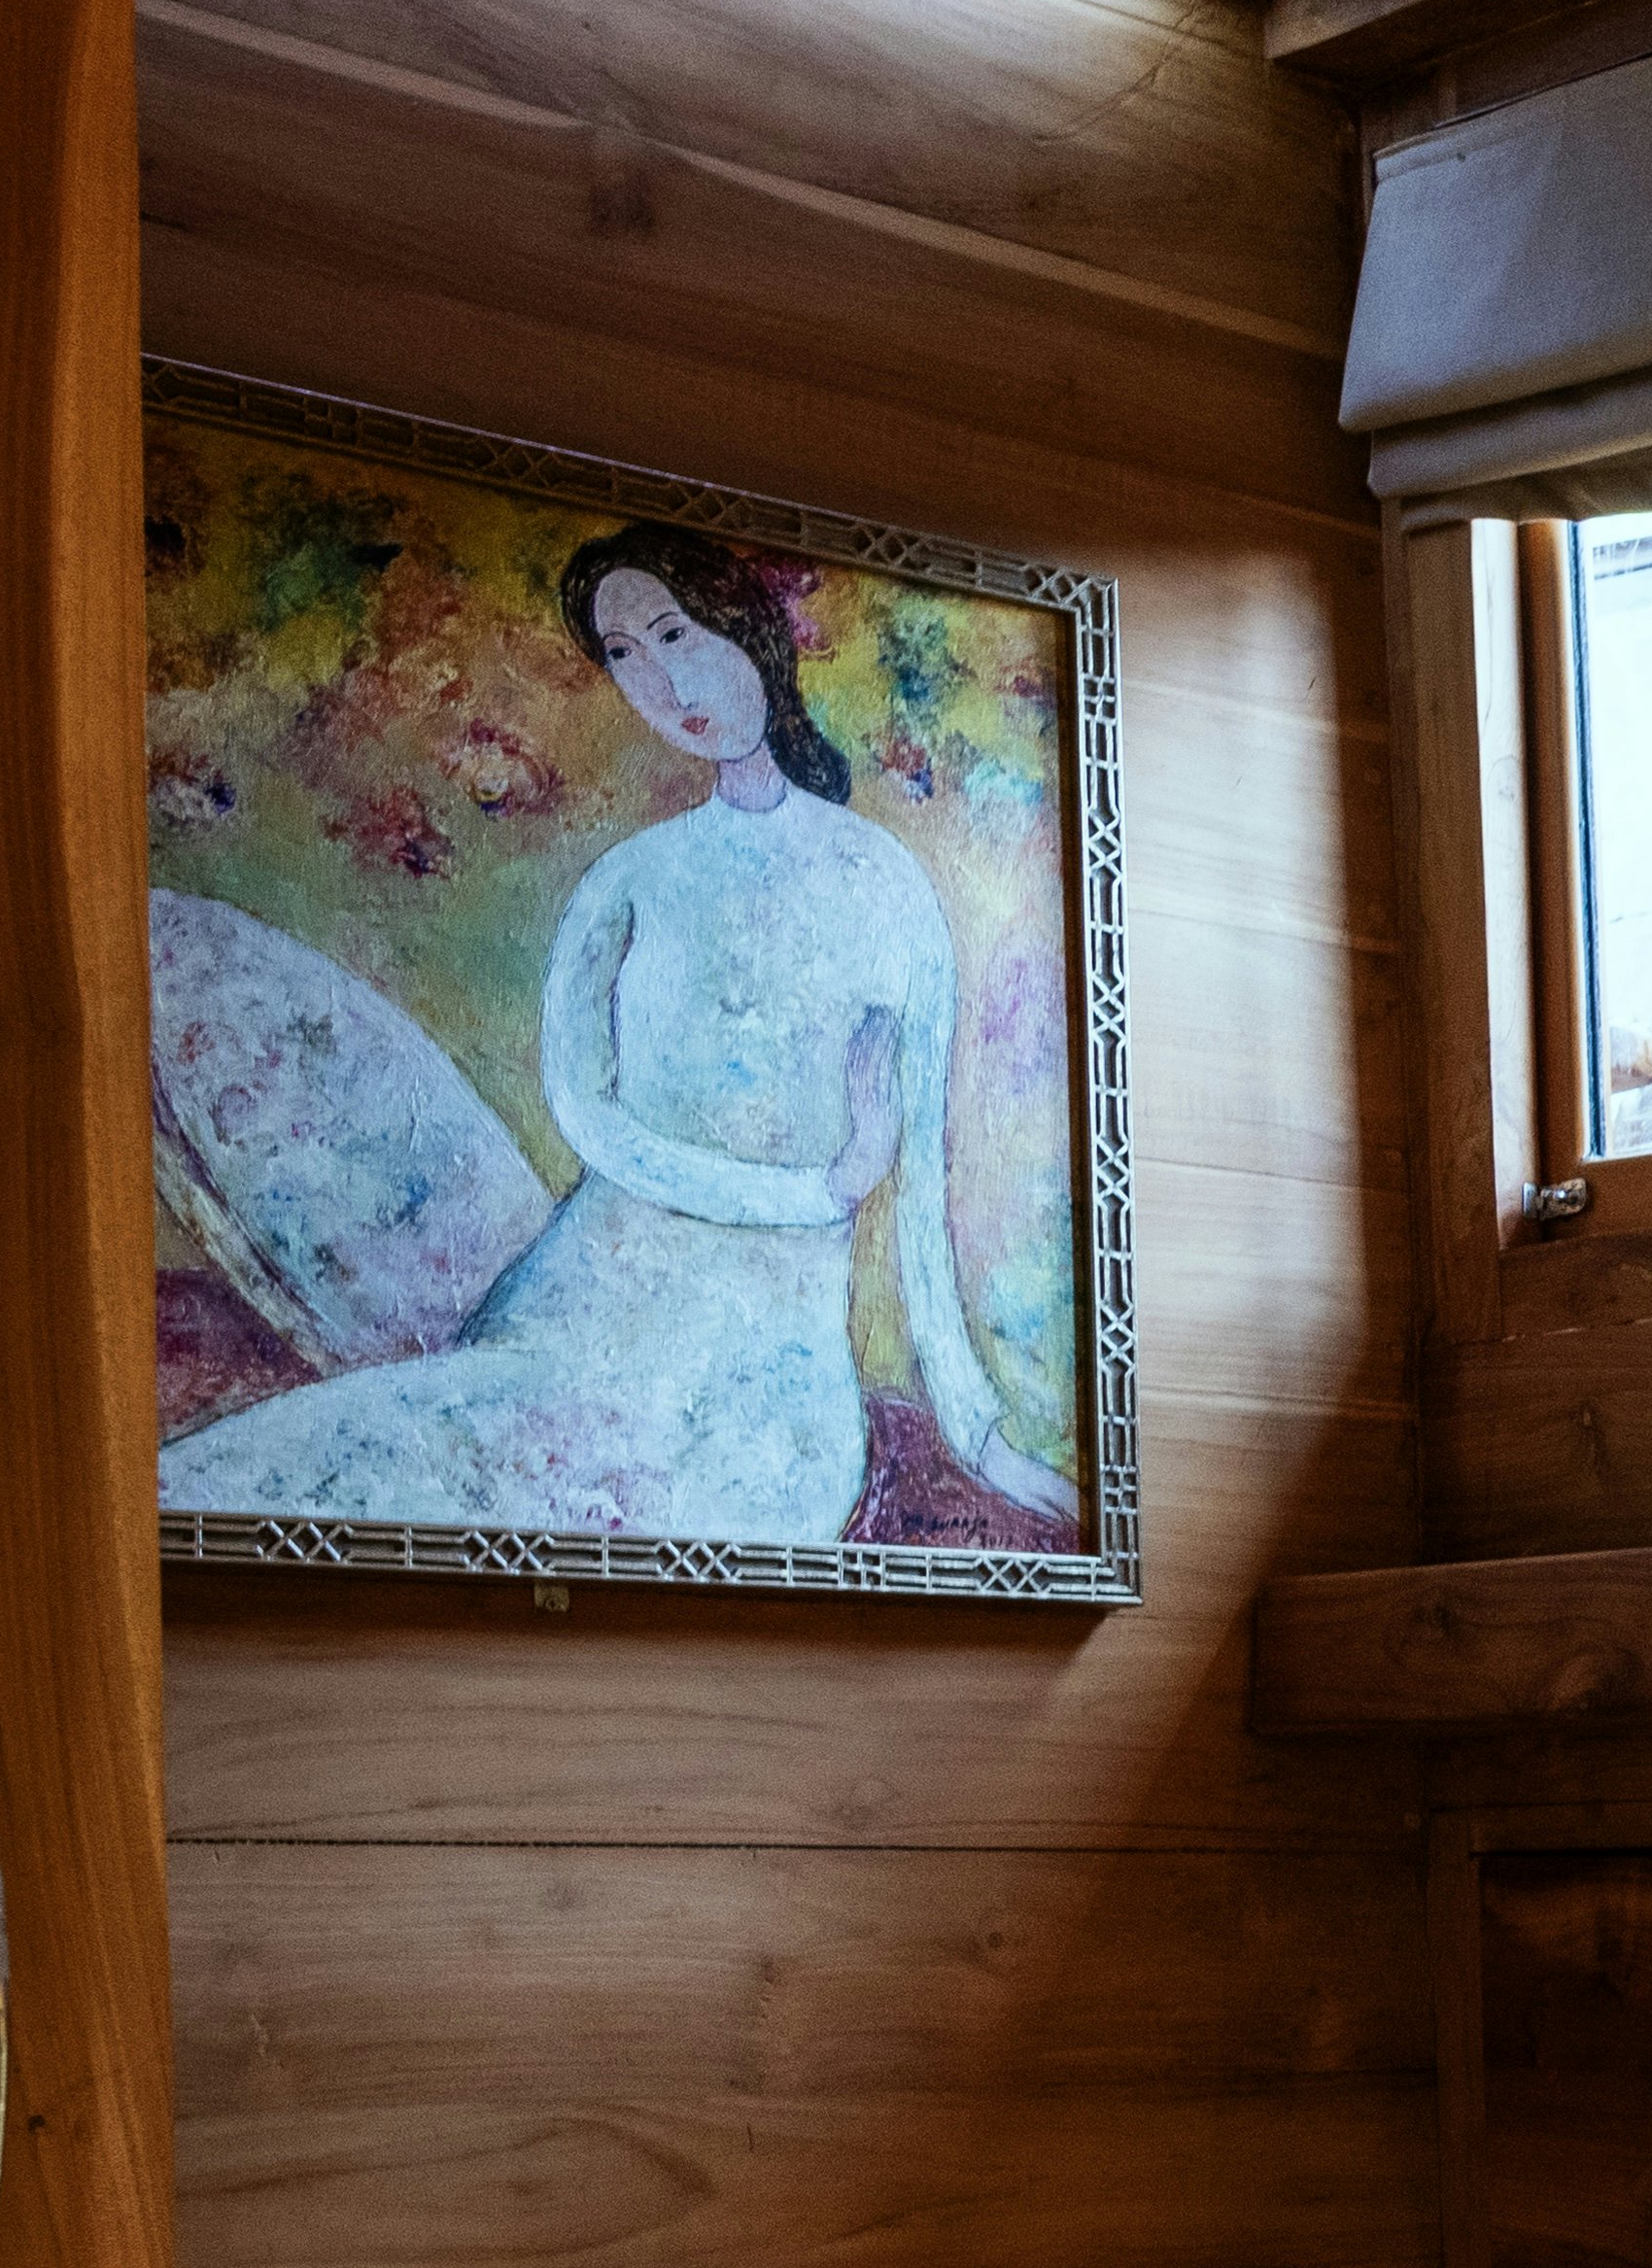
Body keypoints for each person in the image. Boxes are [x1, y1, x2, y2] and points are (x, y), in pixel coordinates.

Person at [161, 521, 1075, 1542]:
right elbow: (591, 1121)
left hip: (765, 1395)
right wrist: (811, 1192)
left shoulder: (892, 891)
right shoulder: (630, 879)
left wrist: (981, 1434)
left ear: (746, 632)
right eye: (625, 656)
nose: (656, 681)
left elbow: (921, 1210)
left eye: (673, 635)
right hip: (573, 1322)